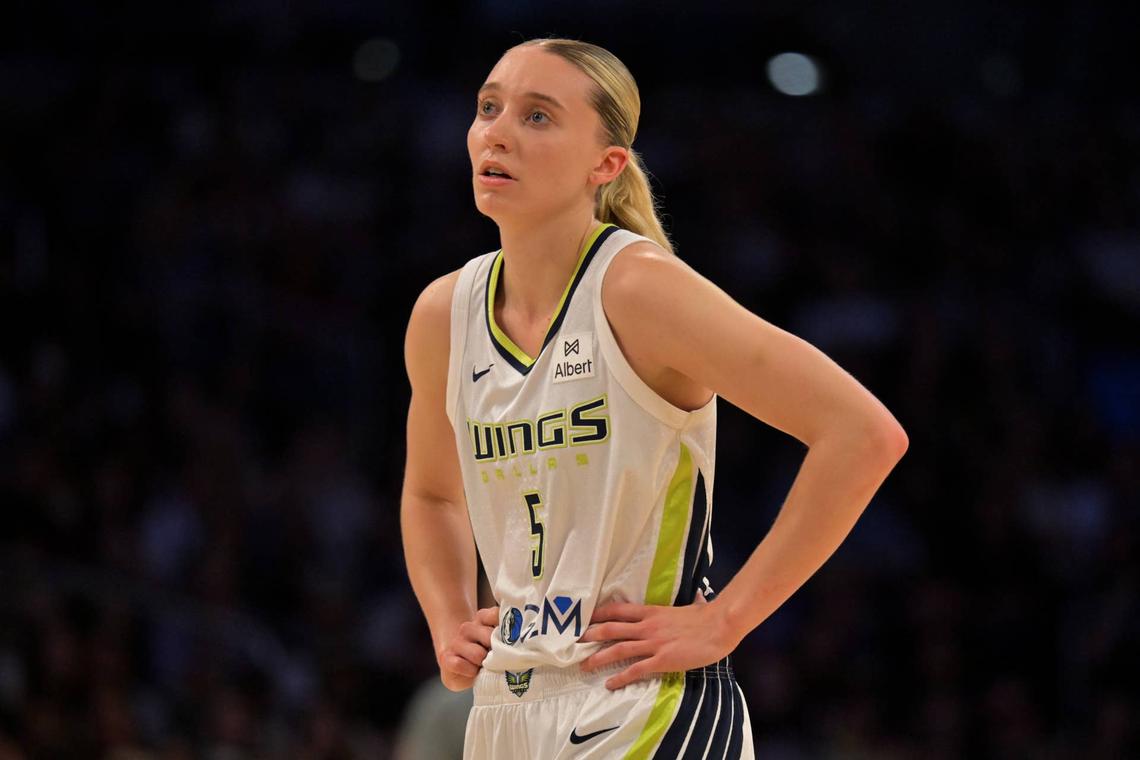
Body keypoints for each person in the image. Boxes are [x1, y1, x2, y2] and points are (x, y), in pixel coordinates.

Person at [401, 37, 908, 760]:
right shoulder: (442, 315)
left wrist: (724, 620)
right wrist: (449, 616)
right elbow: (431, 495)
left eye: (538, 116)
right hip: (506, 710)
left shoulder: (638, 290)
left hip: (645, 705)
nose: (498, 131)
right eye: (489, 108)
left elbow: (863, 433)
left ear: (604, 165)